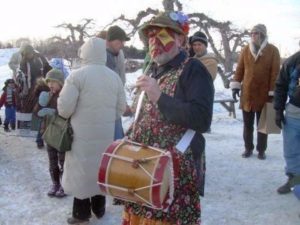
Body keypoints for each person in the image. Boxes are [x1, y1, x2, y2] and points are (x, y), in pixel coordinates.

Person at [115, 11, 214, 225]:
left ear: (180, 39)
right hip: (142, 169)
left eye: (163, 35)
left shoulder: (194, 69)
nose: (155, 41)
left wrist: (159, 96)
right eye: (151, 36)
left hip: (174, 174)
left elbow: (202, 119)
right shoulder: (153, 69)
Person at [57, 37, 126, 224]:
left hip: (81, 134)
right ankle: (99, 208)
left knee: (82, 170)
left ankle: (81, 214)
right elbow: (121, 108)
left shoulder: (76, 76)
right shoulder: (114, 77)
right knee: (100, 167)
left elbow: (64, 109)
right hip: (105, 135)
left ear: (84, 53)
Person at [230, 24, 280, 160]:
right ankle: (248, 148)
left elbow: (275, 73)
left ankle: (261, 150)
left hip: (264, 95)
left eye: (256, 33)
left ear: (262, 35)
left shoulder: (273, 50)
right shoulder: (246, 49)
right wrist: (235, 86)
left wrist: (272, 93)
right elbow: (239, 69)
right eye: (252, 33)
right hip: (247, 95)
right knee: (247, 125)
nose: (253, 35)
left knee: (263, 125)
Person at [35, 69, 66, 197]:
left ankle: (64, 184)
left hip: (62, 134)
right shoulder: (47, 95)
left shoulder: (65, 96)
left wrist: (54, 112)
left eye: (53, 82)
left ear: (60, 83)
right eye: (49, 82)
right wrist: (40, 105)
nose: (51, 85)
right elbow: (36, 113)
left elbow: (67, 113)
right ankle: (55, 183)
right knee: (52, 161)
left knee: (63, 161)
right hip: (49, 133)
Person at [274, 50, 300, 194]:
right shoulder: (292, 61)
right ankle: (295, 181)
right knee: (292, 151)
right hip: (294, 113)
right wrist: (278, 110)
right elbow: (281, 86)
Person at [17, 44, 52, 148]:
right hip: (30, 89)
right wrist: (22, 90)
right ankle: (34, 132)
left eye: (28, 53)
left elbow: (48, 69)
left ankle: (40, 137)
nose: (27, 56)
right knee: (33, 110)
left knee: (42, 110)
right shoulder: (23, 62)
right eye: (24, 54)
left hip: (42, 87)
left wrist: (50, 80)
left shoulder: (40, 58)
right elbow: (22, 77)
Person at [105, 25, 132, 139]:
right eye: (120, 41)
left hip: (115, 109)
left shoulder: (117, 54)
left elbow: (119, 82)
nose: (122, 44)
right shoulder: (102, 57)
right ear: (110, 40)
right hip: (106, 110)